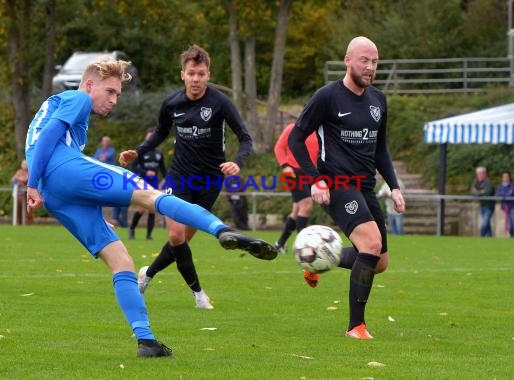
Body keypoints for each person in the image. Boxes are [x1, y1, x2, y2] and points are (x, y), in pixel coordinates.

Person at [25, 58, 276, 358]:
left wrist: (48, 186)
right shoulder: (77, 98)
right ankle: (220, 229)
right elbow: (50, 139)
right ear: (90, 85)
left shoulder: (64, 111)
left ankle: (146, 340)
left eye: (118, 94)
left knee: (120, 260)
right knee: (150, 195)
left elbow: (47, 142)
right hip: (56, 172)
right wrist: (32, 182)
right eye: (111, 92)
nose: (114, 100)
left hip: (58, 195)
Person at [119, 45, 254, 310]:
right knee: (177, 235)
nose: (196, 79)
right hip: (179, 177)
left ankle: (148, 273)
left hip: (209, 181)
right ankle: (198, 294)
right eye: (191, 73)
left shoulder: (221, 103)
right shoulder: (172, 103)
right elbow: (160, 132)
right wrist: (139, 150)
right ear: (182, 74)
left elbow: (246, 139)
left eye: (201, 74)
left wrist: (236, 163)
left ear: (208, 75)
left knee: (178, 241)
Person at [288, 36, 405, 340]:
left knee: (379, 262)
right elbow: (296, 139)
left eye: (375, 62)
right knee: (370, 243)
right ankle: (356, 327)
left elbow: (380, 149)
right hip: (337, 183)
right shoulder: (327, 97)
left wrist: (393, 186)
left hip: (366, 185)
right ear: (348, 60)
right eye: (364, 60)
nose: (370, 67)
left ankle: (315, 258)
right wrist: (315, 178)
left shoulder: (378, 100)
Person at [273, 122, 319, 254]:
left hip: (309, 173)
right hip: (293, 172)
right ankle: (302, 246)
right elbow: (279, 148)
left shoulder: (319, 132)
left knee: (297, 210)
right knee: (307, 205)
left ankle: (279, 244)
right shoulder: (292, 128)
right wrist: (284, 165)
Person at [128, 130, 168, 240]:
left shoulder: (159, 154)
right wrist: (145, 172)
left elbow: (163, 169)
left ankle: (149, 235)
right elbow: (134, 167)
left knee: (152, 208)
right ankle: (131, 228)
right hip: (143, 181)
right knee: (142, 208)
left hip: (154, 182)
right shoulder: (140, 152)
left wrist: (167, 179)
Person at [92, 136, 128, 228]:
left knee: (118, 195)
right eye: (104, 141)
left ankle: (120, 220)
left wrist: (101, 158)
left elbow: (105, 157)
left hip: (110, 175)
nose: (105, 142)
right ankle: (114, 219)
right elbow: (94, 159)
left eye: (107, 141)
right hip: (100, 175)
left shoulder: (112, 150)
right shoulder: (99, 150)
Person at [470, 166, 495, 237]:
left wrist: (478, 192)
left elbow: (488, 192)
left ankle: (481, 237)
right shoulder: (475, 181)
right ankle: (489, 239)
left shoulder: (488, 182)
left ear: (485, 174)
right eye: (478, 174)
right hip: (482, 205)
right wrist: (481, 192)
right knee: (487, 224)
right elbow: (472, 192)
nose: (480, 175)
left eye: (481, 173)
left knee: (484, 224)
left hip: (489, 206)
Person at [11, 159, 34, 225]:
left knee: (29, 210)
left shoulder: (30, 172)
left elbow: (26, 179)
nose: (25, 166)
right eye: (23, 164)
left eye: (26, 164)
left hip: (28, 194)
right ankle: (19, 223)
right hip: (19, 194)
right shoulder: (19, 172)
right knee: (18, 210)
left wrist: (19, 180)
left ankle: (30, 224)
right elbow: (13, 180)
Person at [495, 170, 514, 237]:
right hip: (505, 207)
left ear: (509, 177)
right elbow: (497, 195)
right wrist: (504, 195)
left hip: (512, 207)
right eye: (504, 177)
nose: (505, 178)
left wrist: (504, 195)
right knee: (509, 225)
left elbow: (511, 193)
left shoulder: (512, 185)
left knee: (512, 224)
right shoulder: (500, 186)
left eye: (507, 176)